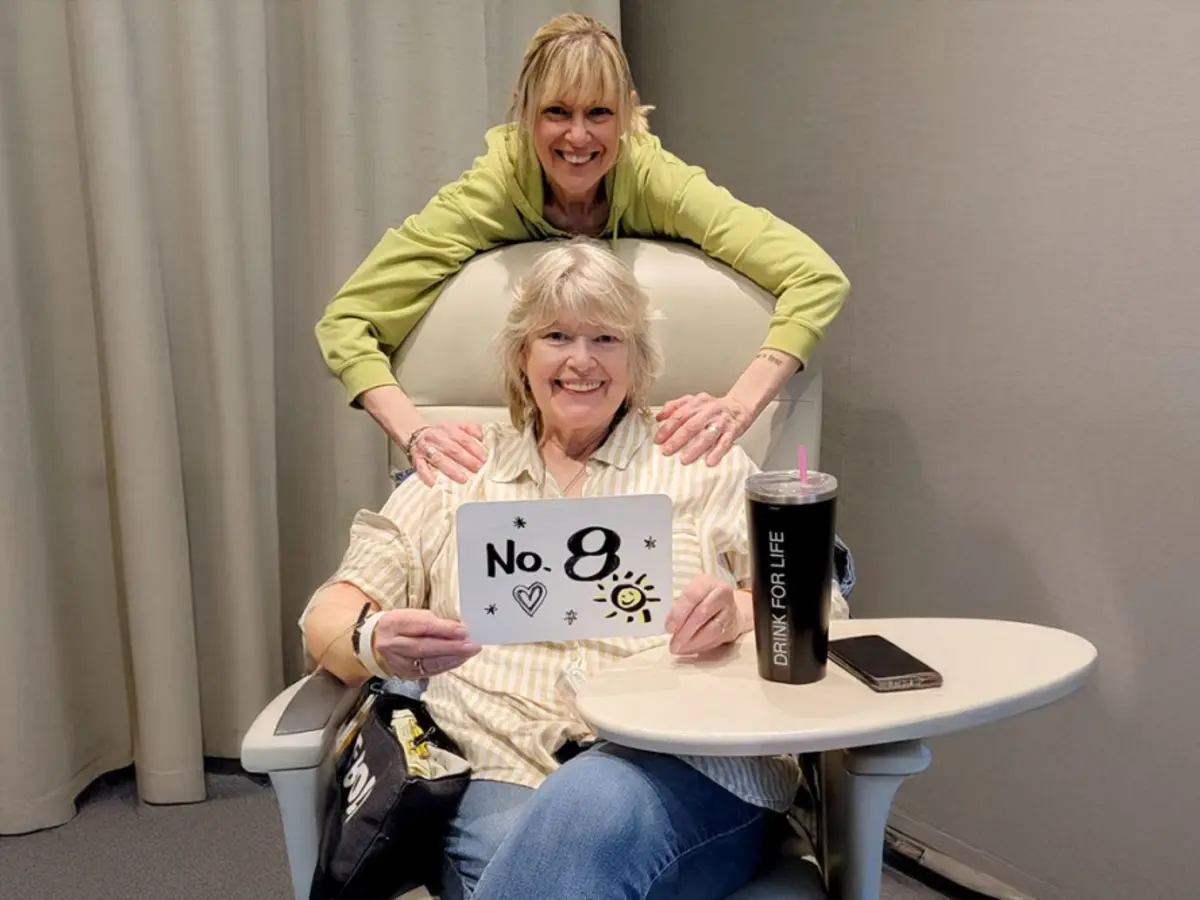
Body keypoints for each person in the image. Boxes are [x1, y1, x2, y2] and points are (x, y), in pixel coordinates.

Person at [302, 240, 849, 899]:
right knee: (548, 850)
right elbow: (326, 617)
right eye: (556, 335)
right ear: (521, 355)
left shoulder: (698, 460)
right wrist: (372, 638)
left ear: (637, 359)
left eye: (606, 338)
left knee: (591, 799)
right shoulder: (454, 471)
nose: (581, 361)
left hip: (687, 763)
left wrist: (735, 611)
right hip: (499, 765)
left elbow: (818, 603)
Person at [315, 12, 850, 488]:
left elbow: (815, 276)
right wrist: (416, 435)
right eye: (556, 112)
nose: (577, 137)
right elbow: (347, 322)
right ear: (524, 115)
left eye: (599, 113)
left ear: (628, 116)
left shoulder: (652, 178)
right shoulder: (488, 193)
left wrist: (737, 405)